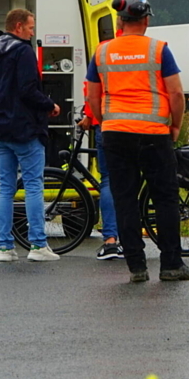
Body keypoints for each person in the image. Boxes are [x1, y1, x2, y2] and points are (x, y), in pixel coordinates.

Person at [86, 0, 189, 283]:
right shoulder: (158, 50)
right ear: (146, 20)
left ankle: (137, 267)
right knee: (165, 199)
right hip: (153, 135)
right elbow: (176, 93)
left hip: (115, 134)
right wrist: (175, 126)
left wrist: (105, 122)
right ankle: (171, 265)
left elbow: (92, 95)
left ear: (120, 22)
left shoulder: (102, 52)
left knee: (125, 199)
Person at [0, 9, 61, 263]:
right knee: (33, 185)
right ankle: (37, 245)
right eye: (31, 27)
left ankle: (5, 248)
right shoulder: (23, 52)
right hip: (25, 129)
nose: (33, 31)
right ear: (18, 26)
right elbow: (27, 90)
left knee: (5, 188)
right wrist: (49, 105)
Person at [79, 89, 122, 261]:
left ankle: (111, 241)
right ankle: (130, 239)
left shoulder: (100, 61)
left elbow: (91, 92)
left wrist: (89, 115)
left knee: (108, 180)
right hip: (134, 123)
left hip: (106, 124)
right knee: (129, 179)